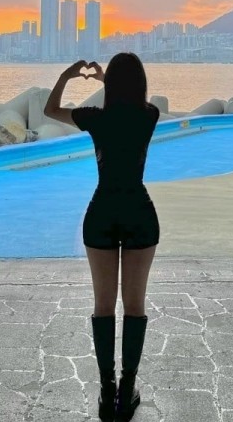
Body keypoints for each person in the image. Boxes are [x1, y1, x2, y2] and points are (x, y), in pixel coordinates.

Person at [44, 53, 160, 421]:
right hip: (139, 213)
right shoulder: (149, 115)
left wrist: (67, 76)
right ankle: (127, 391)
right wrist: (107, 79)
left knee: (104, 306)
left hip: (102, 214)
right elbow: (128, 96)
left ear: (111, 87)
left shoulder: (95, 118)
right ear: (140, 84)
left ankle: (107, 391)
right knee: (134, 306)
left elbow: (50, 110)